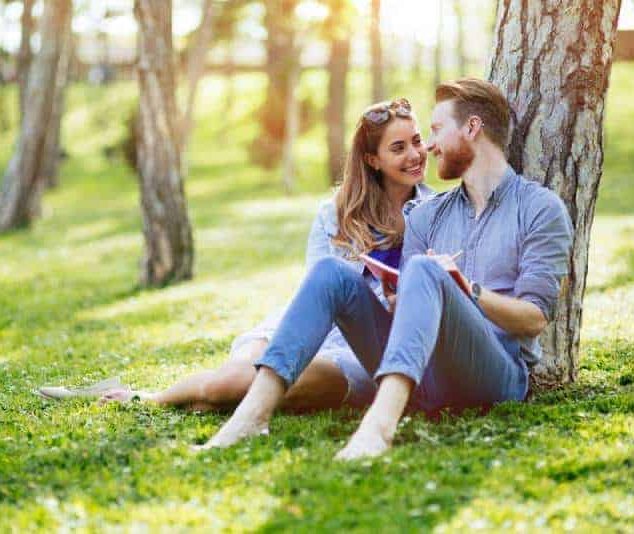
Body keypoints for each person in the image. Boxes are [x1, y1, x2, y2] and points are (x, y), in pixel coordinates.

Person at [199, 78, 574, 459]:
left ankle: (378, 428)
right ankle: (251, 416)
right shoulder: (425, 216)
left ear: (472, 128)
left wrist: (467, 290)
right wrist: (399, 301)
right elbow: (408, 314)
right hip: (426, 378)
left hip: (496, 377)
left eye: (437, 130)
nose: (428, 145)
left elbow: (534, 320)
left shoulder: (540, 209)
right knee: (332, 272)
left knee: (428, 271)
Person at [38, 98, 435, 414]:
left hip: (357, 351)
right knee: (227, 381)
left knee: (226, 391)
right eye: (398, 148)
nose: (415, 154)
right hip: (303, 330)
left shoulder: (435, 212)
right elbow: (319, 295)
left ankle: (146, 397)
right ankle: (149, 396)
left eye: (417, 141)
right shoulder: (336, 213)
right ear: (372, 160)